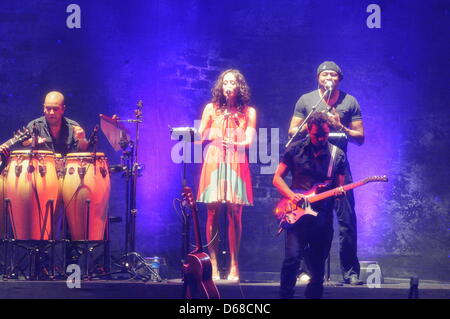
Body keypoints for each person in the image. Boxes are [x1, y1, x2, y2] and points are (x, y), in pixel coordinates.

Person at [288, 61, 364, 285]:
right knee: (307, 217)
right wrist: (313, 121)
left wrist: (341, 126)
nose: (328, 77)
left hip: (338, 165)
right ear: (318, 78)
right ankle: (305, 271)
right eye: (324, 74)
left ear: (339, 79)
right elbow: (292, 130)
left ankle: (350, 272)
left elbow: (360, 137)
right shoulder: (307, 100)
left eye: (333, 74)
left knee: (347, 220)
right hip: (311, 168)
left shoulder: (349, 101)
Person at [274, 111, 346, 298]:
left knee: (317, 265)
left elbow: (339, 187)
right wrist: (292, 196)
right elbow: (277, 179)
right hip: (297, 216)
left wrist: (339, 193)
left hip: (322, 217)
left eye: (325, 134)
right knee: (291, 260)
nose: (321, 139)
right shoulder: (295, 150)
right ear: (308, 129)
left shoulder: (337, 156)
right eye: (316, 135)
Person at [197, 69, 256, 282]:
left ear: (239, 87)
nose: (228, 86)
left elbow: (249, 139)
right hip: (214, 159)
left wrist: (236, 143)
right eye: (225, 83)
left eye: (233, 82)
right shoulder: (211, 109)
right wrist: (210, 132)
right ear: (221, 87)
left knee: (235, 212)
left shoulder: (248, 112)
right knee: (212, 211)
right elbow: (200, 135)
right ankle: (212, 263)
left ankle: (234, 264)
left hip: (236, 160)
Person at [23, 91, 89, 155]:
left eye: (55, 109)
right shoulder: (34, 125)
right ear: (44, 108)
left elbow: (83, 153)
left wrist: (82, 140)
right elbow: (22, 149)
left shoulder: (73, 127)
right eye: (48, 108)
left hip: (67, 165)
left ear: (63, 109)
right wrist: (31, 142)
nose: (51, 112)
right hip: (42, 165)